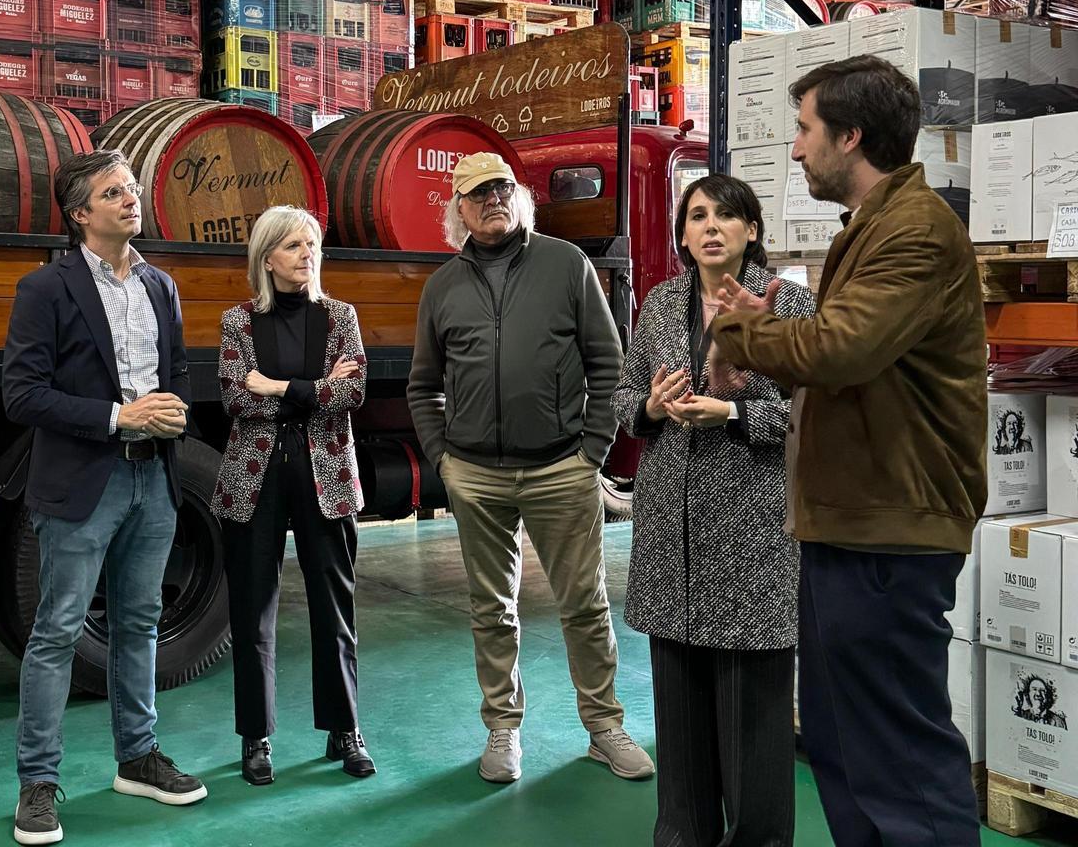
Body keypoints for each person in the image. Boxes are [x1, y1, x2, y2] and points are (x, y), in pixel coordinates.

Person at [709, 54, 988, 847]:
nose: (796, 149)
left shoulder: (914, 231)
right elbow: (845, 355)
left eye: (805, 130)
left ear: (851, 135)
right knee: (844, 746)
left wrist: (741, 330)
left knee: (899, 759)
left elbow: (841, 350)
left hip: (888, 531)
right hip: (849, 523)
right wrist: (767, 331)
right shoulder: (870, 228)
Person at [407, 152, 654, 784]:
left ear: (519, 197)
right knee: (492, 608)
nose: (492, 200)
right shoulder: (442, 287)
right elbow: (423, 386)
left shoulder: (566, 265)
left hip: (559, 468)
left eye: (501, 189)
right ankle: (502, 729)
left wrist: (591, 452)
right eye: (477, 194)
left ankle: (603, 728)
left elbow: (609, 363)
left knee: (584, 606)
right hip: (475, 475)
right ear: (458, 211)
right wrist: (443, 460)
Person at [3, 149, 206, 846]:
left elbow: (177, 371)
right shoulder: (45, 289)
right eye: (113, 192)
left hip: (154, 479)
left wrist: (175, 412)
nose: (130, 198)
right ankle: (37, 783)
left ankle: (137, 758)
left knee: (140, 622)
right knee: (58, 630)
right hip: (85, 481)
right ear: (80, 213)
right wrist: (120, 416)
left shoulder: (160, 285)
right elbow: (22, 395)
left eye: (131, 188)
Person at [612, 174, 815, 847]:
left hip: (750, 535)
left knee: (753, 731)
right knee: (680, 736)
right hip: (670, 538)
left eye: (727, 215)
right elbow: (624, 398)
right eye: (697, 215)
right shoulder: (662, 303)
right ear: (683, 233)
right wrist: (649, 407)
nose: (711, 226)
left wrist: (731, 412)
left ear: (751, 230)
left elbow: (811, 414)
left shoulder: (785, 302)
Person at [212, 206, 375, 784]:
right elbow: (235, 396)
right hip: (254, 480)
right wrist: (314, 389)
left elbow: (353, 391)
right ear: (266, 258)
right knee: (252, 610)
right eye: (293, 246)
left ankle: (344, 729)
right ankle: (255, 737)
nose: (307, 254)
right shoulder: (238, 321)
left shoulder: (339, 316)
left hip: (325, 478)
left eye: (311, 244)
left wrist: (278, 386)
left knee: (335, 609)